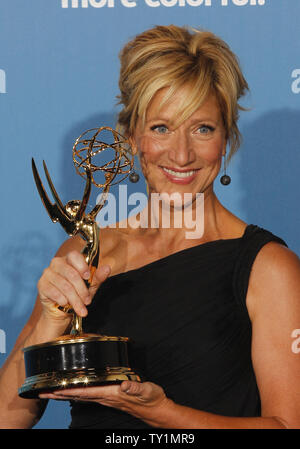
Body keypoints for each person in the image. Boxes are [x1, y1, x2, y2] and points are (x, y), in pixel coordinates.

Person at [0, 25, 300, 429]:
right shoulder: (83, 253)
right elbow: (7, 418)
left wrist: (162, 413)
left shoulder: (268, 268)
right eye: (161, 128)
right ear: (132, 137)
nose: (181, 153)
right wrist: (51, 321)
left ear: (225, 141)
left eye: (202, 128)